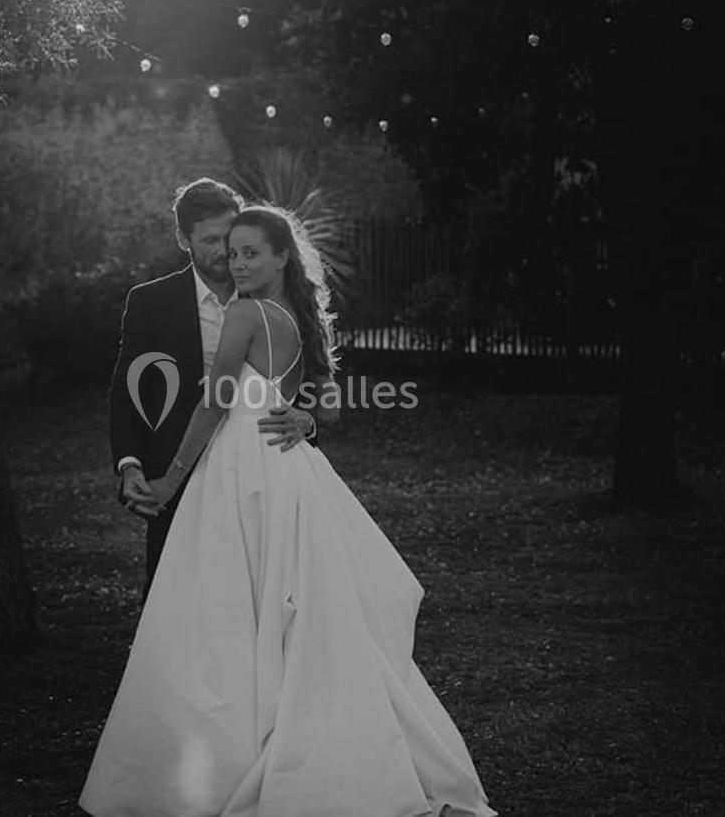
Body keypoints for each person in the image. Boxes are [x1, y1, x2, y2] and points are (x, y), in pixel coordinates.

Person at [81, 205, 497, 816]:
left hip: (239, 469)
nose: (236, 261)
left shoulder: (247, 312)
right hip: (285, 469)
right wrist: (299, 412)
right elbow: (327, 407)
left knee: (222, 608)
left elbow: (214, 406)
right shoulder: (299, 313)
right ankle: (272, 725)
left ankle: (234, 743)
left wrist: (171, 479)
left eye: (251, 252)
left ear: (280, 257)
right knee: (279, 604)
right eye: (233, 251)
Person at [108, 179, 318, 603]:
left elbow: (316, 378)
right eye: (210, 239)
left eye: (231, 235)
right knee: (175, 600)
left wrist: (307, 416)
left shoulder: (276, 296)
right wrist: (130, 467)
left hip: (264, 471)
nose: (226, 250)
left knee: (270, 594)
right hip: (177, 472)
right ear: (183, 240)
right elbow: (128, 391)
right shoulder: (150, 302)